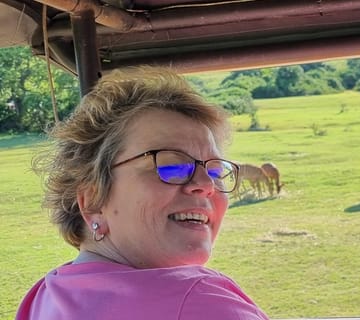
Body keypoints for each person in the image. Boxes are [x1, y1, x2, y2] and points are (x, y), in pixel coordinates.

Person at [17, 66, 270, 320]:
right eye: (171, 166)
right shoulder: (201, 303)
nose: (206, 184)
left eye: (215, 172)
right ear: (93, 201)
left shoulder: (44, 296)